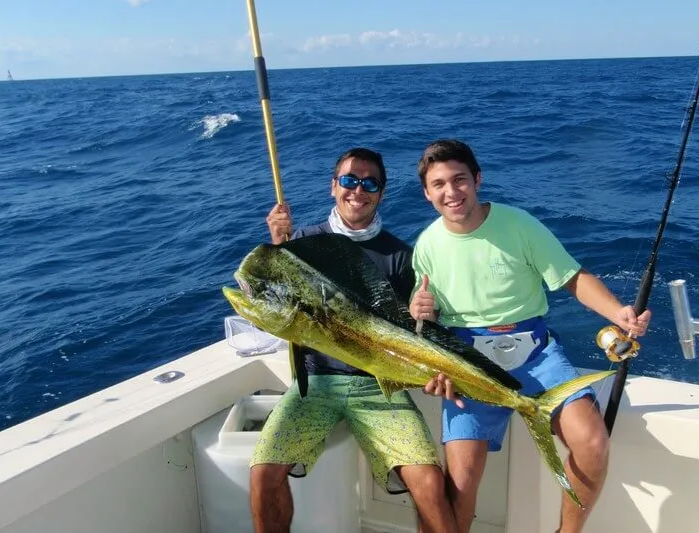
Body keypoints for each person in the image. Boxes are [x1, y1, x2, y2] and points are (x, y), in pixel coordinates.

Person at [408, 139, 652, 533]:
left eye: (459, 180)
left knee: (591, 443)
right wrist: (421, 316)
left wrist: (617, 312)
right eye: (439, 184)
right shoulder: (426, 246)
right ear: (426, 193)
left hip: (537, 353)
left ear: (477, 180)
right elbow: (427, 321)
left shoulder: (519, 224)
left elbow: (571, 277)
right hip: (470, 362)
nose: (451, 192)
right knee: (459, 485)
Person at [250, 147, 458, 533]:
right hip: (314, 384)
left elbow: (417, 334)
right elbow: (272, 315)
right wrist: (278, 246)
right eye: (349, 180)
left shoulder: (399, 256)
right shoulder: (303, 242)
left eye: (369, 183)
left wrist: (425, 318)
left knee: (429, 483)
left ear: (380, 193)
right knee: (263, 474)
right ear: (333, 187)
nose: (357, 190)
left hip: (380, 385)